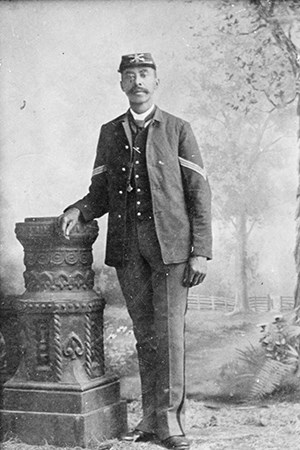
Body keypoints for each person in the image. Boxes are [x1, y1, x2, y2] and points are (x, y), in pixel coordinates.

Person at [60, 53, 212, 450]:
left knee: (169, 337)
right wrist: (78, 209)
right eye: (130, 75)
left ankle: (172, 425)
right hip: (128, 249)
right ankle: (150, 421)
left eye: (144, 74)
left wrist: (201, 251)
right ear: (122, 84)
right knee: (146, 336)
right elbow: (100, 194)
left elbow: (199, 194)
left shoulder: (178, 129)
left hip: (173, 249)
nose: (137, 81)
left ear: (156, 82)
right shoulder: (110, 132)